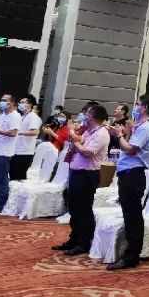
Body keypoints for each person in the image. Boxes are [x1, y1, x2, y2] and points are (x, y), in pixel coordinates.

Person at [104, 95, 149, 270]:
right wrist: (126, 132)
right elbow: (129, 145)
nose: (136, 107)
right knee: (129, 214)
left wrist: (119, 135)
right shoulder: (140, 126)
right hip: (127, 173)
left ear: (145, 108)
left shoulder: (147, 127)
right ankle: (130, 253)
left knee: (132, 215)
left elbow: (130, 149)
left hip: (133, 175)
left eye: (138, 104)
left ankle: (132, 255)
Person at [54, 104, 110, 255]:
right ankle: (74, 239)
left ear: (93, 117)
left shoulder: (102, 134)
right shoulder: (89, 131)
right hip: (77, 172)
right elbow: (78, 144)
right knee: (73, 208)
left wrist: (74, 139)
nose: (84, 116)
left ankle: (83, 243)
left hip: (87, 175)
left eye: (87, 114)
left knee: (83, 209)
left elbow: (87, 152)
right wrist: (74, 139)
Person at [10, 95, 42, 180]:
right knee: (12, 174)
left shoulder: (33, 117)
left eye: (23, 102)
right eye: (20, 102)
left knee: (19, 177)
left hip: (25, 151)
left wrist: (19, 133)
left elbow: (35, 132)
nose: (20, 104)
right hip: (17, 149)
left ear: (30, 104)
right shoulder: (23, 116)